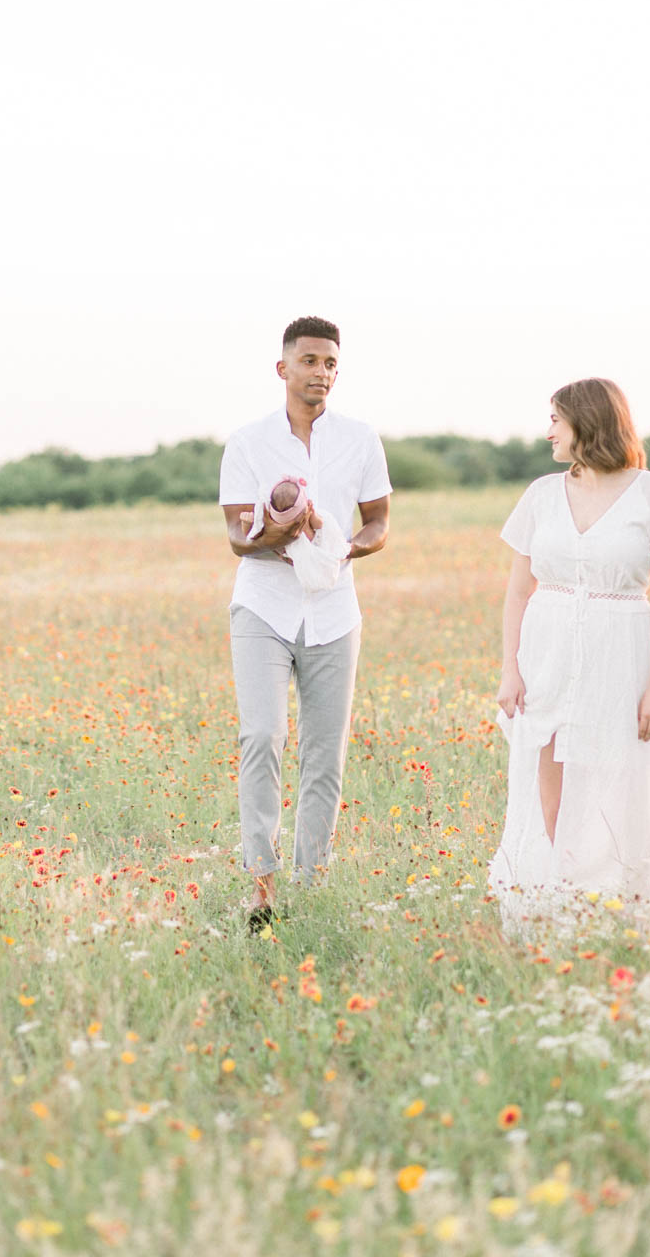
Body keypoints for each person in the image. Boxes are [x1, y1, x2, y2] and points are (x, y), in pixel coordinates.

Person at [219, 316, 391, 927]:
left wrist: (345, 548)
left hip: (335, 610)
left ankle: (311, 883)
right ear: (283, 368)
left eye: (331, 365)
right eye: (312, 361)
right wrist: (281, 532)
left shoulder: (361, 438)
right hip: (263, 605)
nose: (322, 373)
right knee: (262, 735)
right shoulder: (247, 441)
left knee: (326, 753)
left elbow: (379, 522)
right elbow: (238, 539)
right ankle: (260, 890)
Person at [492, 378, 650, 932]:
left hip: (621, 651)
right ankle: (559, 903)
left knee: (613, 776)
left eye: (556, 418)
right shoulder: (541, 494)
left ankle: (611, 910)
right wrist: (510, 667)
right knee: (547, 770)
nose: (548, 430)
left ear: (588, 421)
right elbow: (517, 591)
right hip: (546, 650)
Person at [240, 476, 352, 593]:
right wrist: (315, 519)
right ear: (305, 503)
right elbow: (320, 524)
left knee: (316, 542)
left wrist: (246, 524)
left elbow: (251, 535)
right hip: (299, 549)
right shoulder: (303, 516)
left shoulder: (270, 519)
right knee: (320, 530)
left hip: (301, 549)